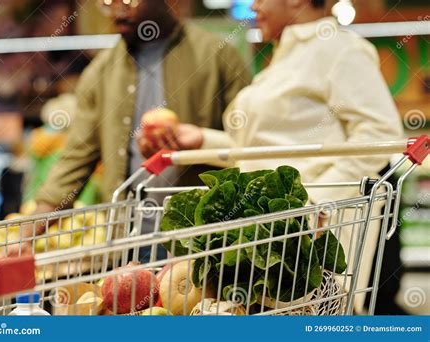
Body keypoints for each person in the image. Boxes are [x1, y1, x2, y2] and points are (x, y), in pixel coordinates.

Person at [138, 0, 404, 313]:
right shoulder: (287, 54)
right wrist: (201, 139)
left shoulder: (341, 49)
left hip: (310, 249)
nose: (252, 6)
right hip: (270, 243)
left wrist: (314, 203)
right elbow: (269, 154)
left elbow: (380, 135)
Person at [15, 1, 251, 250]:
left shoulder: (217, 56)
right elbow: (74, 161)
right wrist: (26, 234)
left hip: (201, 237)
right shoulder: (100, 73)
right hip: (128, 238)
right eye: (108, 2)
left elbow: (249, 143)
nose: (119, 10)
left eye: (129, 0)